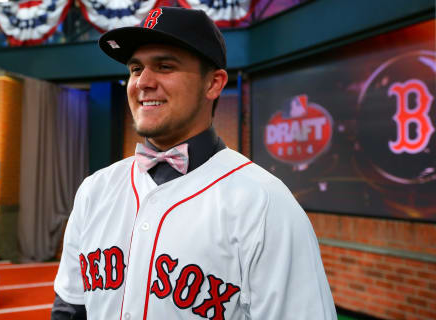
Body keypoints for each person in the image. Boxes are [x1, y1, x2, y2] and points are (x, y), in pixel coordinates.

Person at [52, 7, 337, 320]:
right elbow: (69, 309)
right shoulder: (95, 190)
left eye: (164, 66)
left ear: (213, 83)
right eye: (135, 68)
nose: (143, 82)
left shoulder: (264, 202)